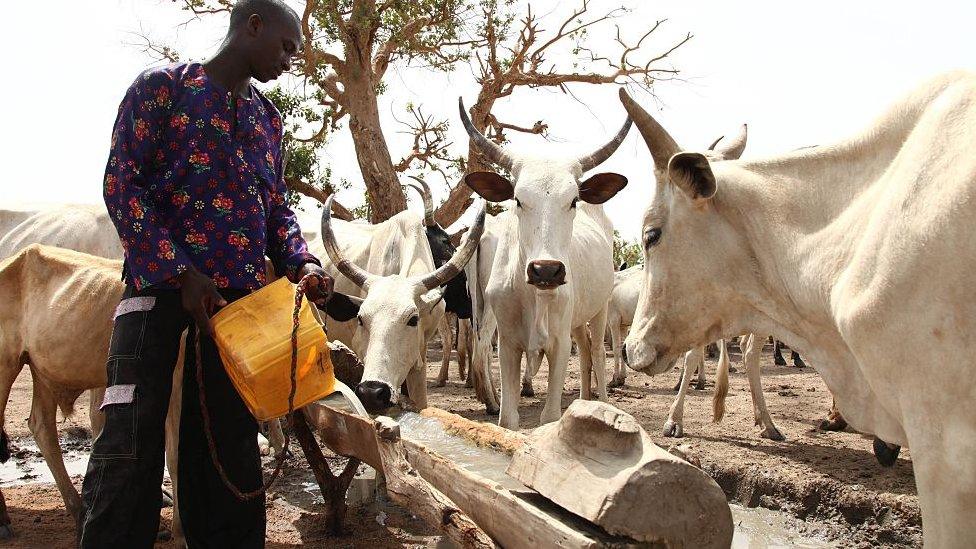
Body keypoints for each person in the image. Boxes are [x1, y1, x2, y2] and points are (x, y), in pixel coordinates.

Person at [79, 1, 333, 546]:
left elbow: (275, 210)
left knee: (230, 440)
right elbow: (121, 186)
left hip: (240, 308)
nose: (292, 60)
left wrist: (302, 261)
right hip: (156, 291)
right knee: (130, 435)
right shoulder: (160, 89)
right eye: (287, 47)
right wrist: (179, 271)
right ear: (253, 25)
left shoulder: (268, 118)